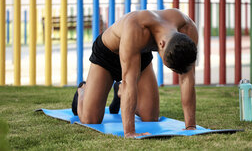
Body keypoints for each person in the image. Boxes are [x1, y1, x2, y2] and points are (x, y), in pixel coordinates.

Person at [72, 9, 198, 138]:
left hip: (140, 54)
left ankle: (120, 90)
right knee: (91, 119)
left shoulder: (188, 29)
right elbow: (129, 81)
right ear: (161, 44)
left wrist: (190, 126)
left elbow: (187, 79)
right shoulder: (137, 27)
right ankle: (83, 91)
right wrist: (130, 132)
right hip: (108, 55)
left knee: (151, 117)